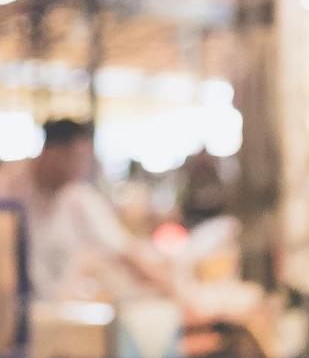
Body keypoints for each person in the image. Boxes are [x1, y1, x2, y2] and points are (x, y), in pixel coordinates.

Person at [0, 118, 179, 304]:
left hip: (53, 310)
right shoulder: (9, 189)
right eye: (76, 158)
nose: (81, 167)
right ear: (52, 152)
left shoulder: (77, 197)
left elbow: (124, 251)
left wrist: (173, 290)